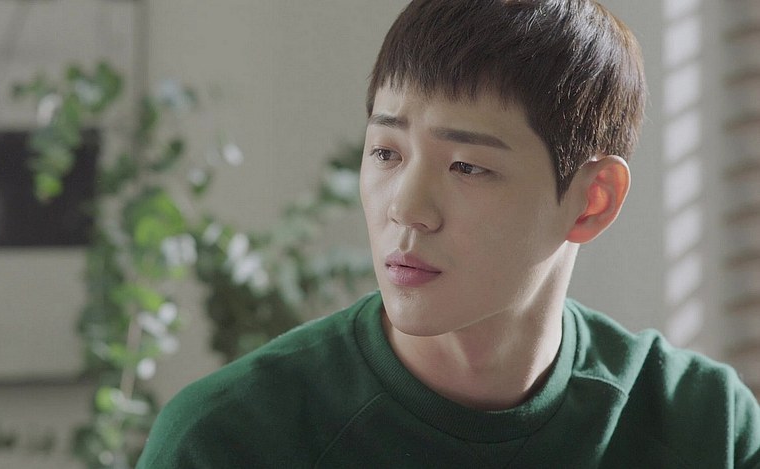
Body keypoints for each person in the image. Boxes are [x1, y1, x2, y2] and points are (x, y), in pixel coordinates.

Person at [137, 0, 760, 467]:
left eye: (467, 166)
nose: (407, 209)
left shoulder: (704, 426)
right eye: (386, 152)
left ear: (591, 202)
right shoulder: (228, 440)